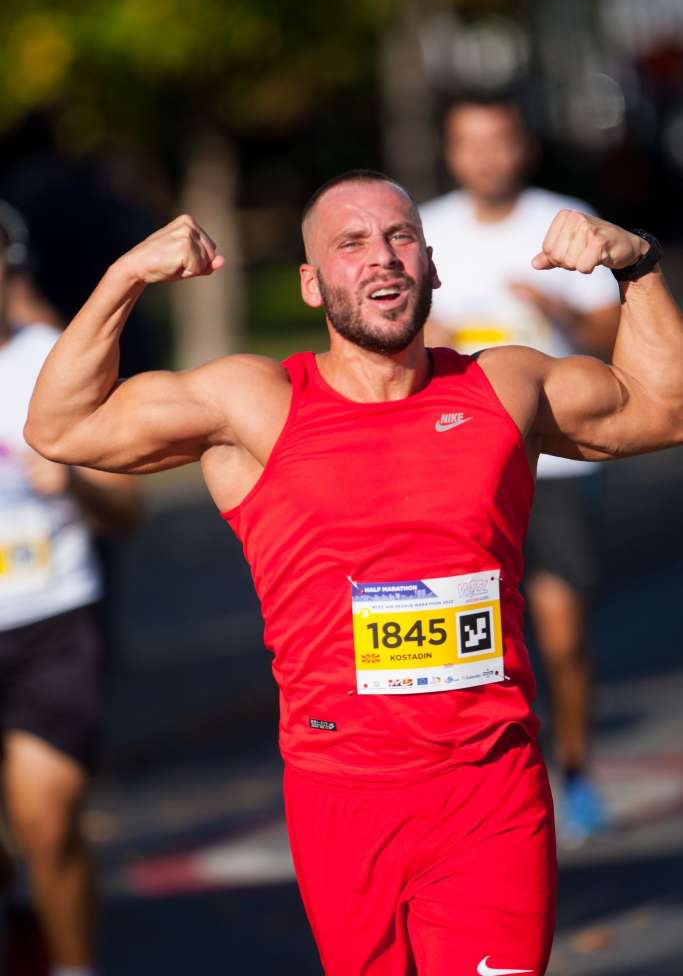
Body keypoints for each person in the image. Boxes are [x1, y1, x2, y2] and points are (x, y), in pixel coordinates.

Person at [24, 171, 683, 976]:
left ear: (431, 266)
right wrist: (125, 276)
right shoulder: (255, 406)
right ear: (310, 283)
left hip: (488, 788)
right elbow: (61, 427)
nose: (382, 258)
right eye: (351, 243)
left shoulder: (503, 387)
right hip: (340, 800)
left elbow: (664, 409)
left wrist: (636, 265)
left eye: (401, 237)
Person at [420, 95, 620, 843]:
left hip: (553, 466)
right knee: (463, 644)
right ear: (450, 151)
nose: (484, 156)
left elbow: (610, 328)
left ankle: (576, 772)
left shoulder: (562, 219)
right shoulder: (424, 229)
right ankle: (472, 784)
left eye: (498, 140)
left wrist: (556, 307)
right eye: (468, 142)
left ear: (522, 147)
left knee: (562, 637)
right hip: (458, 468)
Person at [0, 202, 142, 976]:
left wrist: (75, 487)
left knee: (48, 822)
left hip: (51, 617)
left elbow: (127, 510)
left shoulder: (49, 362)